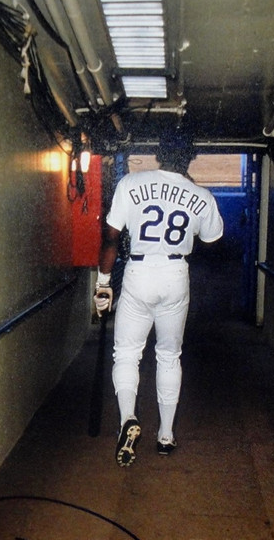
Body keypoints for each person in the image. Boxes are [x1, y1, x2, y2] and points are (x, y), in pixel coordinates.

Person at [94, 128, 224, 466]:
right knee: (168, 355)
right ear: (190, 157)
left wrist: (103, 283)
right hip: (176, 274)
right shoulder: (202, 195)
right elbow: (212, 239)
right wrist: (189, 187)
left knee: (126, 354)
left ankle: (128, 420)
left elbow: (110, 238)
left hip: (139, 273)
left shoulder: (131, 184)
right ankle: (165, 435)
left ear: (158, 153)